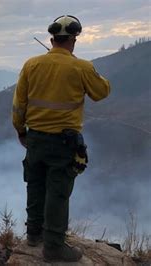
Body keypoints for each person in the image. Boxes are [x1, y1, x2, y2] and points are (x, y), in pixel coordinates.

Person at [12, 15, 110, 262]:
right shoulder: (81, 67)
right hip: (63, 143)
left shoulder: (31, 65)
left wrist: (21, 131)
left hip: (34, 139)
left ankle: (33, 235)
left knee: (35, 185)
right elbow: (102, 92)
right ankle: (54, 247)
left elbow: (18, 105)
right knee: (58, 193)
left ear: (52, 39)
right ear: (73, 41)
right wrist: (80, 66)